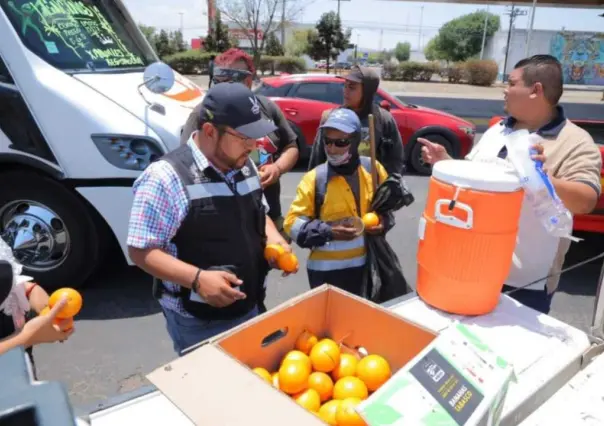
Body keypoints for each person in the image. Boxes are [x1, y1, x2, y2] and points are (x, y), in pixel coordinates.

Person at [419, 55, 602, 314]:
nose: (505, 89)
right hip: (468, 264)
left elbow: (586, 201)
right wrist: (447, 161)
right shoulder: (498, 131)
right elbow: (477, 179)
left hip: (524, 282)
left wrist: (544, 179)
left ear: (535, 90)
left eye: (512, 82)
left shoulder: (574, 141)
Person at [127, 83, 292, 355]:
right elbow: (141, 249)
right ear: (210, 131)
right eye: (243, 137)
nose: (252, 146)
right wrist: (197, 279)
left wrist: (274, 242)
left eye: (255, 137)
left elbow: (259, 213)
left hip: (250, 306)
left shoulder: (244, 163)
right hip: (199, 323)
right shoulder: (165, 178)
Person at [181, 48, 299, 313]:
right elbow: (189, 167)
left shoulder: (267, 109)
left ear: (248, 80)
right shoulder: (203, 116)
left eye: (231, 77)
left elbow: (292, 146)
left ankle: (253, 308)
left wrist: (277, 169)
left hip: (263, 212)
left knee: (258, 272)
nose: (223, 84)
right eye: (219, 77)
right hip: (220, 220)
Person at [284, 108, 391, 296]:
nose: (332, 149)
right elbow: (292, 224)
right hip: (325, 275)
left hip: (366, 267)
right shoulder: (314, 179)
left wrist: (384, 222)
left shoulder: (373, 170)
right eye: (328, 142)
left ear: (355, 141)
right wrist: (328, 231)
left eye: (341, 142)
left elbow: (386, 208)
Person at [307, 65, 405, 176]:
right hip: (336, 187)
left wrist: (388, 187)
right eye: (345, 86)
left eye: (352, 87)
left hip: (370, 188)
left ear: (367, 91)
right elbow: (317, 159)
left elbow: (395, 161)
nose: (345, 91)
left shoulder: (383, 119)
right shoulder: (331, 118)